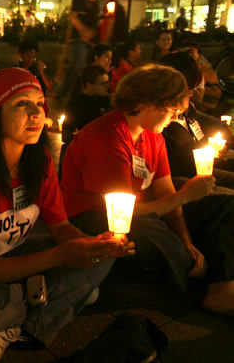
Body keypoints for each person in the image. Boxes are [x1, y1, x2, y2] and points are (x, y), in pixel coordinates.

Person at [0, 68, 131, 363]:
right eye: (22, 104)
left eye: (39, 103)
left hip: (13, 253)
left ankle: (11, 326)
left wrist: (94, 245)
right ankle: (48, 305)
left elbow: (60, 228)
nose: (36, 113)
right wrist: (62, 258)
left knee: (100, 257)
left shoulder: (40, 160)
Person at [61, 64, 234, 316]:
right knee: (152, 234)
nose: (175, 117)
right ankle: (202, 292)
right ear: (145, 103)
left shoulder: (153, 136)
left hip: (143, 208)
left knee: (224, 206)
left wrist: (185, 238)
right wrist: (185, 197)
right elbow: (122, 212)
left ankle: (222, 281)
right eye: (171, 110)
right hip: (95, 215)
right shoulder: (106, 137)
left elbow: (166, 193)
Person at [159, 51, 234, 189]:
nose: (192, 93)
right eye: (189, 88)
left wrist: (216, 151)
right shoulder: (162, 122)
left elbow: (211, 130)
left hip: (204, 168)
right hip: (185, 179)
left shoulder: (188, 111)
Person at [54, 0, 99, 98]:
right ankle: (60, 92)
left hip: (90, 41)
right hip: (81, 39)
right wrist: (84, 31)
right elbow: (73, 17)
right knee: (78, 67)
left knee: (83, 67)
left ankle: (77, 93)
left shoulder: (94, 0)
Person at [61, 65, 110, 160]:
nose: (108, 86)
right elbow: (68, 135)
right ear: (89, 85)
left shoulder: (101, 99)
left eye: (108, 82)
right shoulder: (78, 105)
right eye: (103, 83)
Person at [182, 42, 223, 112]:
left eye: (191, 52)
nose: (189, 55)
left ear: (199, 56)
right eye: (186, 53)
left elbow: (216, 92)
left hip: (206, 102)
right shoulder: (181, 68)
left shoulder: (205, 70)